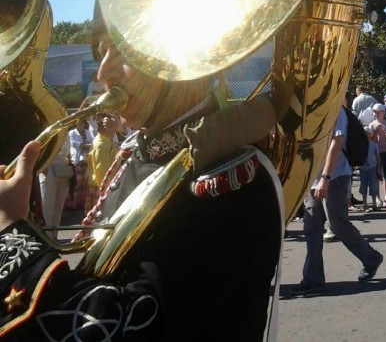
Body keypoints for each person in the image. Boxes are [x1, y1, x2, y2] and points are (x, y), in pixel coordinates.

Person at [0, 27, 283, 340]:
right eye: (101, 55)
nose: (102, 74)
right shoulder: (135, 157)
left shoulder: (227, 183)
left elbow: (128, 324)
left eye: (121, 53)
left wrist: (10, 234)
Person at [291, 95, 384, 297]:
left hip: (334, 176)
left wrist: (325, 177)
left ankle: (371, 258)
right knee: (311, 228)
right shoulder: (305, 111)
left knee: (337, 225)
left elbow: (337, 141)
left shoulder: (335, 110)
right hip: (311, 178)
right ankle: (312, 279)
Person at [37, 133, 73, 236]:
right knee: (48, 208)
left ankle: (54, 237)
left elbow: (68, 155)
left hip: (63, 172)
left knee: (58, 208)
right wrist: (43, 169)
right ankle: (47, 238)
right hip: (48, 172)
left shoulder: (66, 135)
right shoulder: (47, 132)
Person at [367, 103, 386, 207]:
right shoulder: (372, 125)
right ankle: (378, 198)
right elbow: (370, 140)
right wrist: (376, 134)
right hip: (377, 153)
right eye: (374, 112)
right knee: (377, 175)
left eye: (378, 112)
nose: (376, 114)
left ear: (383, 112)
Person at [359, 126, 381, 211]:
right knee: (363, 186)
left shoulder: (374, 145)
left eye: (367, 133)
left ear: (370, 134)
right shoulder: (360, 145)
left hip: (372, 168)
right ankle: (365, 204)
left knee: (373, 186)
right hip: (363, 169)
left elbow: (378, 157)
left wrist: (378, 168)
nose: (365, 135)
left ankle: (374, 203)